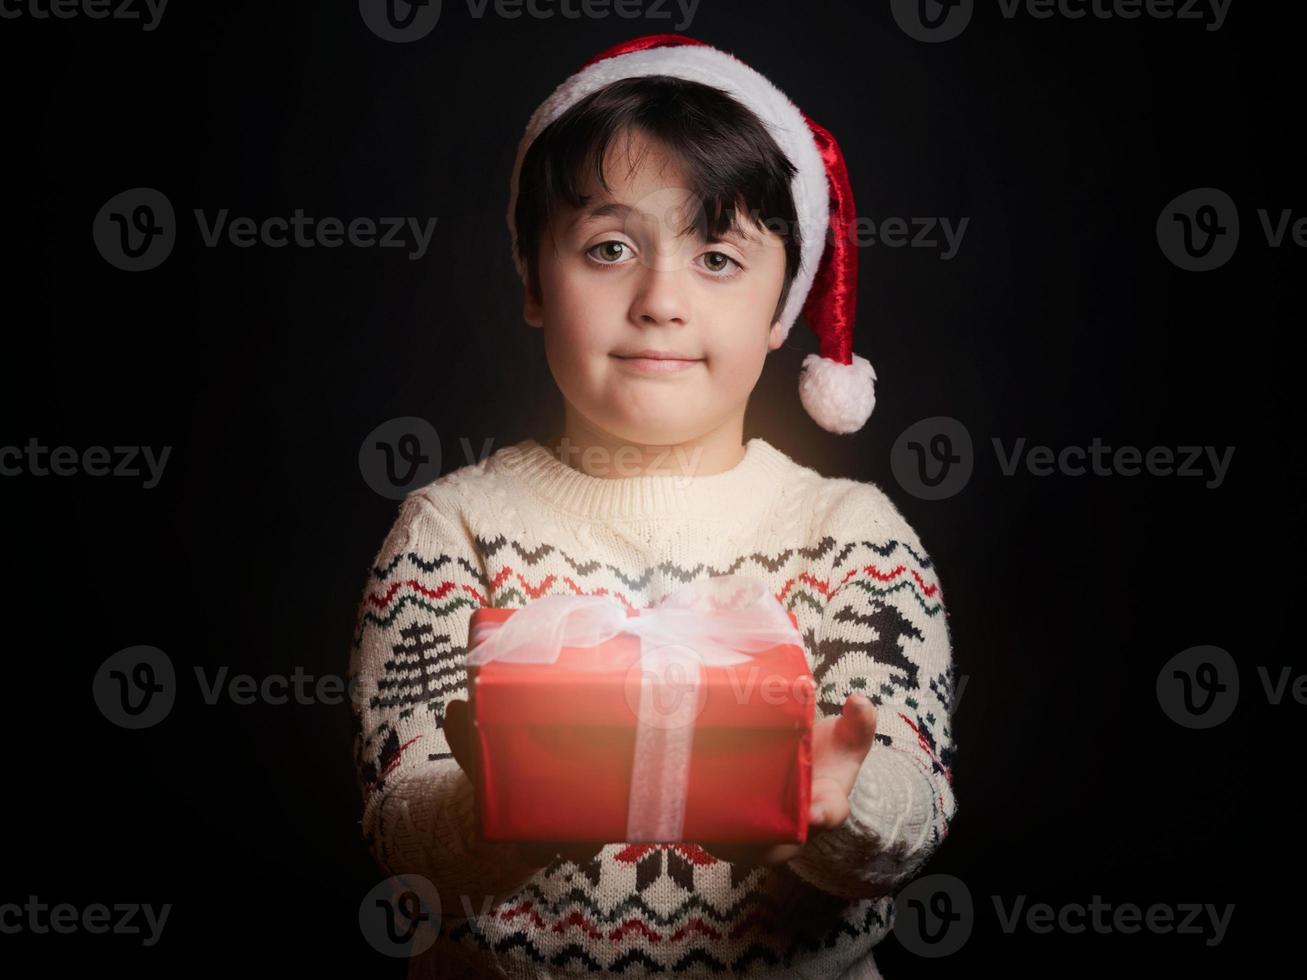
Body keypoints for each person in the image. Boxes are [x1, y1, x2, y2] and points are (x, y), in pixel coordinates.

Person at [349, 33, 958, 980]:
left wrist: (839, 804)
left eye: (717, 257)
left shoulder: (850, 537)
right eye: (609, 248)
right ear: (532, 278)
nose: (660, 300)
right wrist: (500, 801)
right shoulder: (448, 528)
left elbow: (909, 815)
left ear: (781, 307)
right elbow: (401, 826)